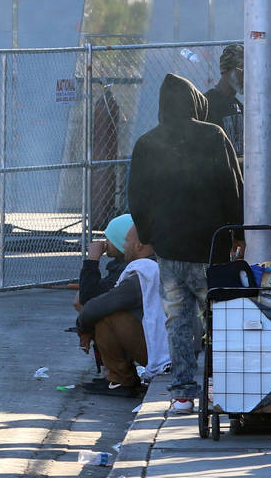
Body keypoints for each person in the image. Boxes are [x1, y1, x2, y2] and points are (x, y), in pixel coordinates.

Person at [128, 73, 244, 415]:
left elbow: (136, 197)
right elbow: (232, 186)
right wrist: (239, 235)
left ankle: (182, 393)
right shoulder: (214, 135)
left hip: (170, 251)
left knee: (177, 320)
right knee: (219, 318)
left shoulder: (147, 143)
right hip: (212, 249)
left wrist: (150, 237)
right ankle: (222, 388)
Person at [77, 225, 169, 398]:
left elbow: (94, 306)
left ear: (139, 245)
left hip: (165, 354)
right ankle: (121, 378)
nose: (124, 245)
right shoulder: (159, 264)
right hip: (171, 348)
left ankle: (120, 379)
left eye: (127, 241)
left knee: (107, 316)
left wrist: (84, 329)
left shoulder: (145, 272)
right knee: (108, 312)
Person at [73, 213, 133, 311]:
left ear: (120, 241)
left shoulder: (125, 270)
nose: (105, 242)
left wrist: (92, 259)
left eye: (109, 239)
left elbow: (85, 299)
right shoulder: (120, 264)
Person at [205, 43, 244, 158]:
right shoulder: (206, 105)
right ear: (226, 70)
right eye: (242, 69)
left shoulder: (240, 107)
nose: (247, 75)